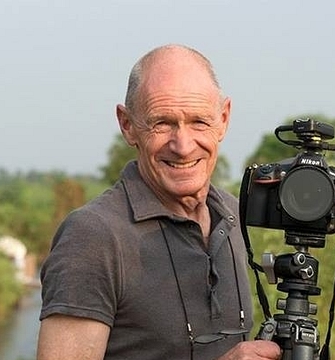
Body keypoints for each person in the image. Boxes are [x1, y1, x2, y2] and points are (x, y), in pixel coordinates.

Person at [36, 44, 281, 360]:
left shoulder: (232, 215)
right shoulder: (93, 236)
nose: (183, 145)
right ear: (128, 125)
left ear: (224, 119)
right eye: (162, 123)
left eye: (199, 122)